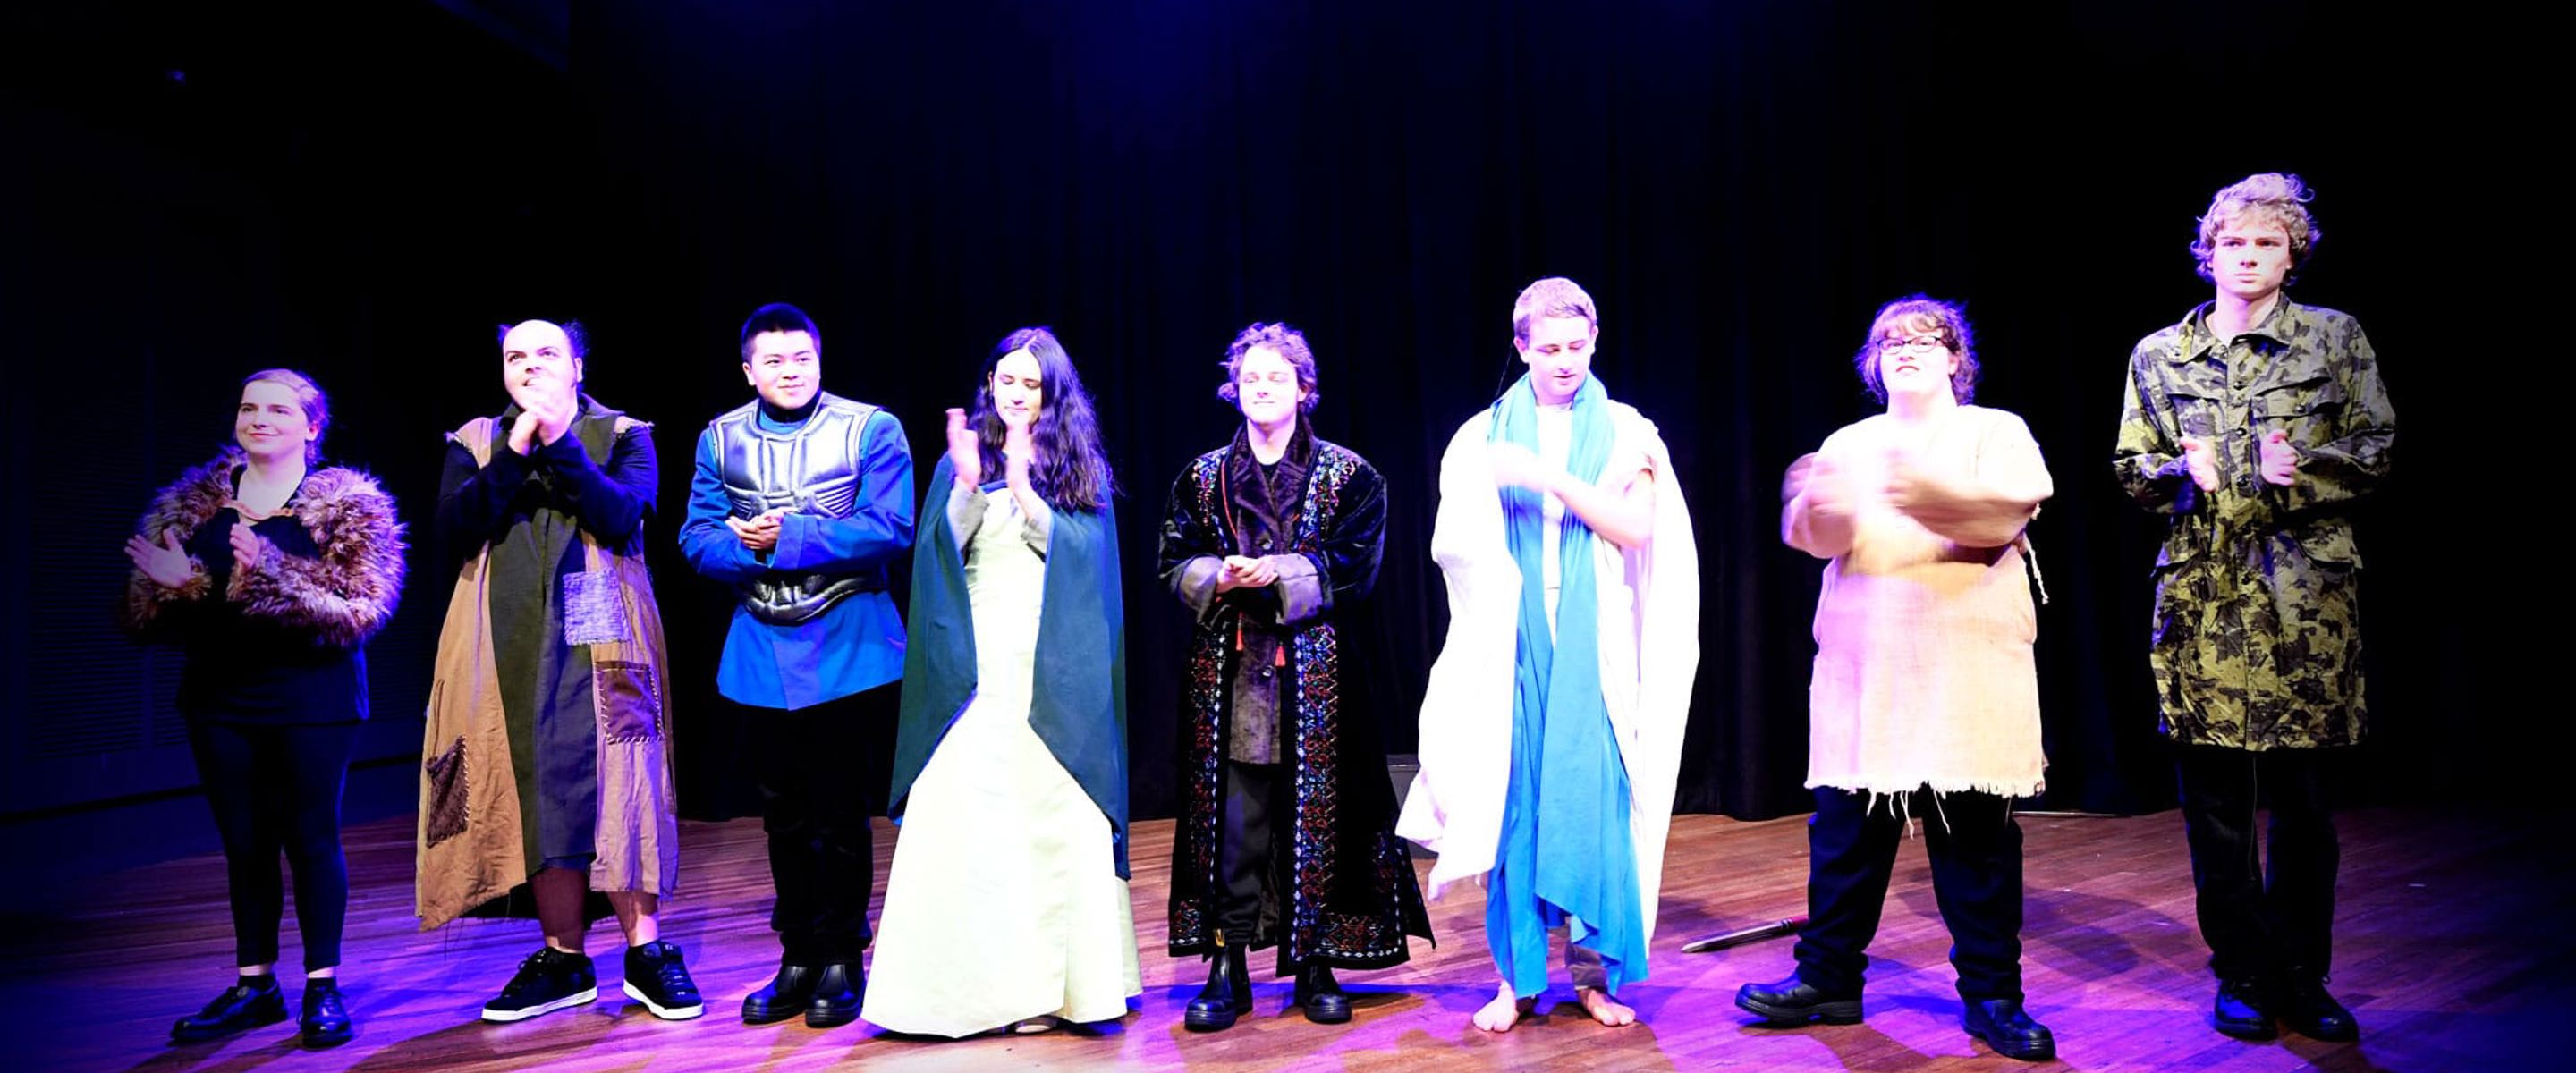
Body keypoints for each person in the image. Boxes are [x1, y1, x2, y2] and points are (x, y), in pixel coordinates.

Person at [1733, 296, 2056, 1062]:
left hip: (1965, 668)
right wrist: (1814, 504)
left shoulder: (1995, 430)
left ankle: (1993, 999)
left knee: (1974, 845)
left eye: (1924, 338)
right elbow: (1818, 537)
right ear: (1874, 367)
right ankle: (1828, 980)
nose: (1904, 348)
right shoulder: (1850, 440)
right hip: (1867, 664)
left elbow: (2003, 516)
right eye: (1888, 341)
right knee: (1845, 839)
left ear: (1955, 359)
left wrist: (1911, 484)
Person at [2113, 173, 2394, 1043]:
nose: (2248, 256)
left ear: (2291, 253)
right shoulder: (2160, 355)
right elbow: (2131, 466)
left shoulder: (2332, 340)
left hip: (2306, 604)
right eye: (2233, 242)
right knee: (2217, 810)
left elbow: (2377, 447)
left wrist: (2299, 470)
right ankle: (2240, 970)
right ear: (2209, 252)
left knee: (2306, 808)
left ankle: (2303, 975)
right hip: (2204, 603)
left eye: (2266, 242)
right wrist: (2175, 474)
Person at [1397, 277, 1700, 1033]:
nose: (1566, 361)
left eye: (1578, 345)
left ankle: (1595, 977)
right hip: (1512, 649)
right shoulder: (1481, 436)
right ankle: (1517, 978)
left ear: (1594, 340)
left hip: (1597, 652)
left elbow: (1634, 528)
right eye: (1550, 348)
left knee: (1596, 810)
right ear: (1522, 347)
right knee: (1517, 812)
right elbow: (1453, 548)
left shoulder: (1630, 431)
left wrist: (1544, 477)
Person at [419, 318, 700, 1023]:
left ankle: (646, 951)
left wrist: (560, 442)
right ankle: (564, 958)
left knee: (618, 764)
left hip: (596, 614)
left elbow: (618, 515)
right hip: (504, 628)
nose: (531, 367)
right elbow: (455, 531)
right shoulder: (476, 441)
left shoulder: (626, 434)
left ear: (578, 365)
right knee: (534, 773)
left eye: (548, 354)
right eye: (517, 356)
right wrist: (516, 452)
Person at [1157, 322, 1431, 1032]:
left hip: (1318, 674)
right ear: (1233, 388)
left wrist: (1276, 572)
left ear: (1304, 389)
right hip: (1230, 671)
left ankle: (1314, 959)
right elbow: (1173, 558)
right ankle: (1229, 959)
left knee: (1321, 813)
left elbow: (1354, 567)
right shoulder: (1201, 476)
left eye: (1277, 377)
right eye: (1250, 378)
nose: (1262, 388)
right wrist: (1217, 574)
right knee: (1234, 817)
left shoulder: (1352, 476)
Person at [866, 327, 1140, 1036]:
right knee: (972, 819)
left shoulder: (1081, 468)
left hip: (1056, 671)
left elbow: (1085, 564)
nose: (1017, 394)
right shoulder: (961, 462)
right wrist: (967, 488)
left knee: (1050, 817)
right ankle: (972, 991)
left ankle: (1057, 993)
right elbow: (936, 560)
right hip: (977, 672)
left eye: (1032, 384)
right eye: (1006, 381)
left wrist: (1023, 487)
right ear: (989, 384)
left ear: (1053, 394)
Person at [125, 368, 406, 1047]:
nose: (259, 418)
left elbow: (361, 610)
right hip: (220, 695)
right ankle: (255, 985)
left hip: (313, 696)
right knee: (245, 845)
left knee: (310, 838)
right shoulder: (193, 508)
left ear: (311, 427)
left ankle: (322, 986)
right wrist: (178, 587)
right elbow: (149, 619)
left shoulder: (347, 505)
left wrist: (270, 572)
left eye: (279, 409)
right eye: (249, 406)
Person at [678, 303, 913, 1028]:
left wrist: (790, 534)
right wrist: (742, 546)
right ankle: (798, 955)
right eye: (774, 361)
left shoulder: (872, 427)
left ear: (820, 360)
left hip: (849, 648)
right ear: (749, 369)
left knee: (841, 812)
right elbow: (695, 536)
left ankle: (844, 956)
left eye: (802, 359)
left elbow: (891, 526)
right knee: (782, 816)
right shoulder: (721, 438)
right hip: (760, 654)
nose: (791, 371)